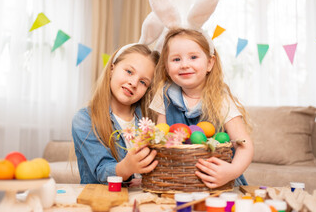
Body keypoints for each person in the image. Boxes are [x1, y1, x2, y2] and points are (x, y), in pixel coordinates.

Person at [149, 28, 254, 188]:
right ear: (166, 66)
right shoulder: (164, 95)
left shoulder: (220, 98)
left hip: (215, 180)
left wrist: (231, 171)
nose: (184, 65)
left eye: (193, 57)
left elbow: (245, 145)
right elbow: (160, 138)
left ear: (209, 63)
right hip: (176, 177)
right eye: (176, 59)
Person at [72, 43, 160, 184]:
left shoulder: (149, 120)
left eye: (143, 82)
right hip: (103, 201)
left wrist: (145, 180)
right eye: (129, 72)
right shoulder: (85, 119)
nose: (133, 83)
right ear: (112, 69)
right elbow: (102, 171)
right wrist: (127, 167)